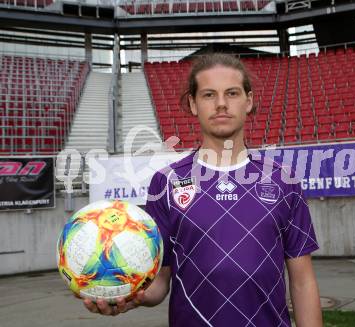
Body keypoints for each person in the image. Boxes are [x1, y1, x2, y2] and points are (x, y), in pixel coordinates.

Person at [84, 53, 322, 326]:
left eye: (232, 93)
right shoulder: (165, 183)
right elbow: (160, 281)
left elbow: (303, 282)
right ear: (193, 104)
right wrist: (130, 296)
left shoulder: (283, 181)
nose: (221, 104)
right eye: (209, 95)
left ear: (249, 101)